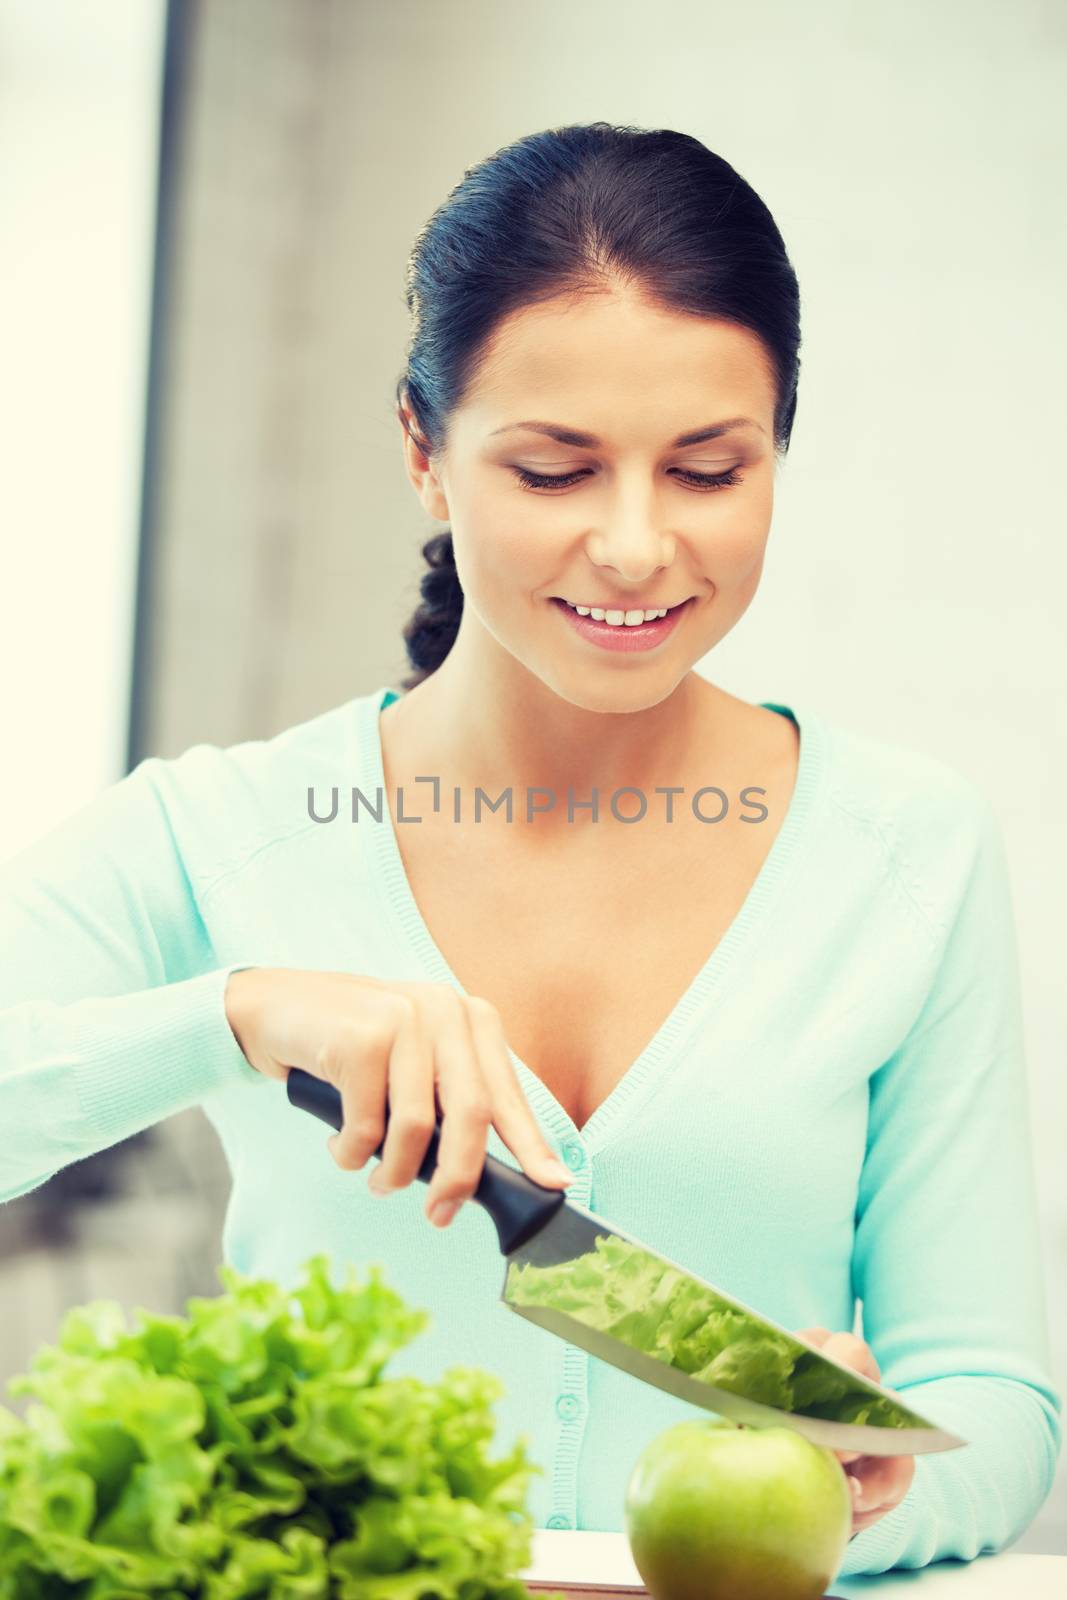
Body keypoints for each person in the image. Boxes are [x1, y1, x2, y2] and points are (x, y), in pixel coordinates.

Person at [0, 121, 1059, 1573]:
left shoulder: (908, 848)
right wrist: (241, 1013)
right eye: (555, 472)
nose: (633, 547)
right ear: (424, 455)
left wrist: (881, 1491)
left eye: (707, 470)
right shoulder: (215, 832)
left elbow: (994, 1397)